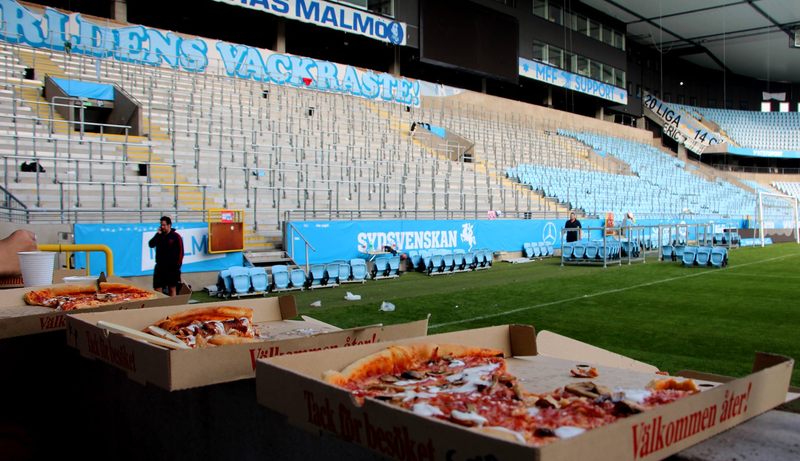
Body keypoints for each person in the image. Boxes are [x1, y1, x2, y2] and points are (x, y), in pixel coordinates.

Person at [148, 216, 183, 296]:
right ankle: (160, 306)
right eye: (161, 225)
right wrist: (157, 234)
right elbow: (151, 244)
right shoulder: (159, 235)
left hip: (172, 268)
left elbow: (181, 253)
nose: (162, 227)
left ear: (169, 225)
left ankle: (173, 306)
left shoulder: (176, 237)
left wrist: (178, 267)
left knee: (172, 288)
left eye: (164, 225)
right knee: (157, 288)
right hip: (160, 267)